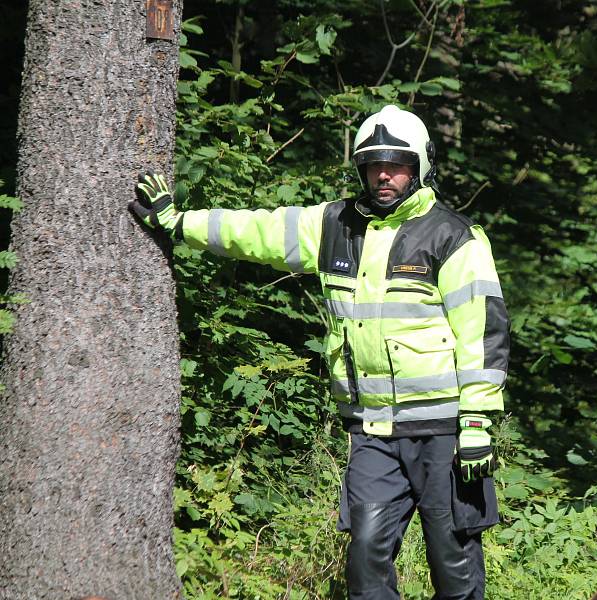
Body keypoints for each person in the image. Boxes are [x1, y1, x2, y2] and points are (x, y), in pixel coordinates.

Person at [130, 105, 510, 599]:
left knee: (453, 566)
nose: (384, 176)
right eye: (374, 166)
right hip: (372, 430)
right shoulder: (334, 224)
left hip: (445, 431)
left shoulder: (454, 236)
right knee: (366, 558)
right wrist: (179, 223)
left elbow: (483, 334)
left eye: (396, 166)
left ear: (420, 167)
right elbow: (256, 230)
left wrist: (478, 422)